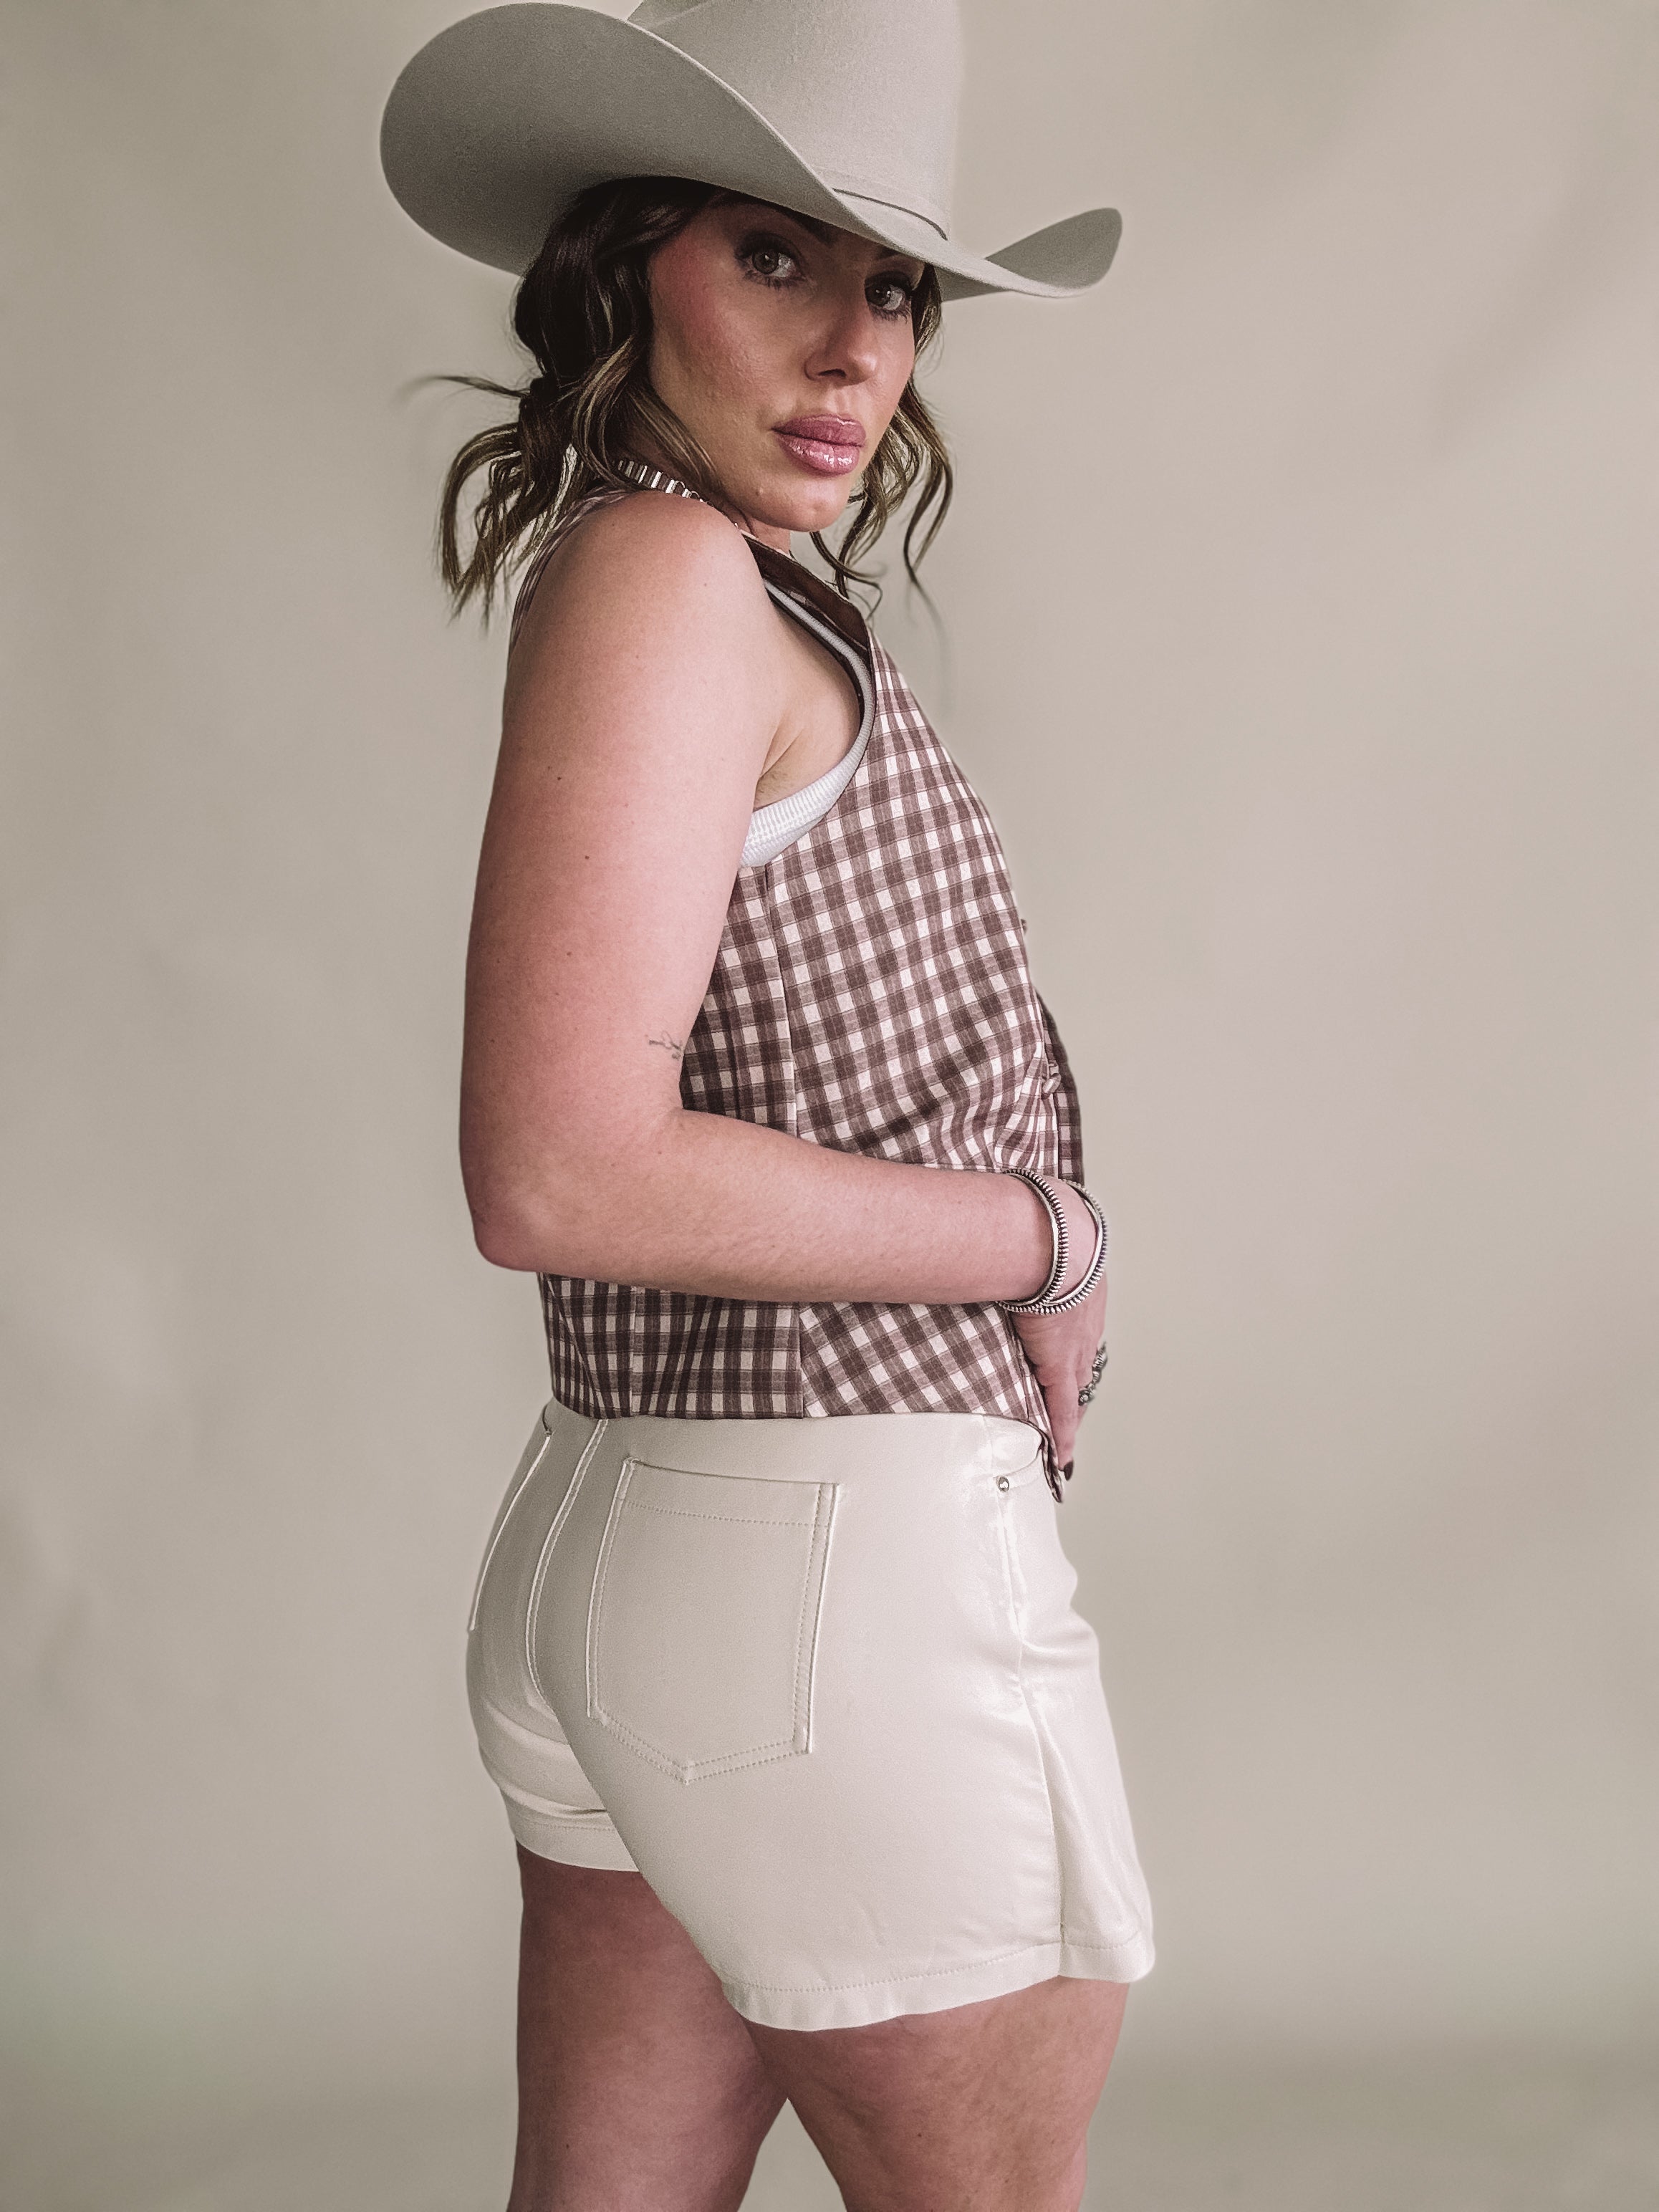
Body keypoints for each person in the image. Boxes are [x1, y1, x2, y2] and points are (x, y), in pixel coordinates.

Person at [382, 4, 1153, 2206]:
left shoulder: (675, 581)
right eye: (774, 260)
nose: (849, 353)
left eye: (888, 285)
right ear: (626, 272)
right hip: (830, 1564)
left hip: (647, 1543)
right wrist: (1047, 1241)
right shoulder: (667, 579)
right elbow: (556, 1166)